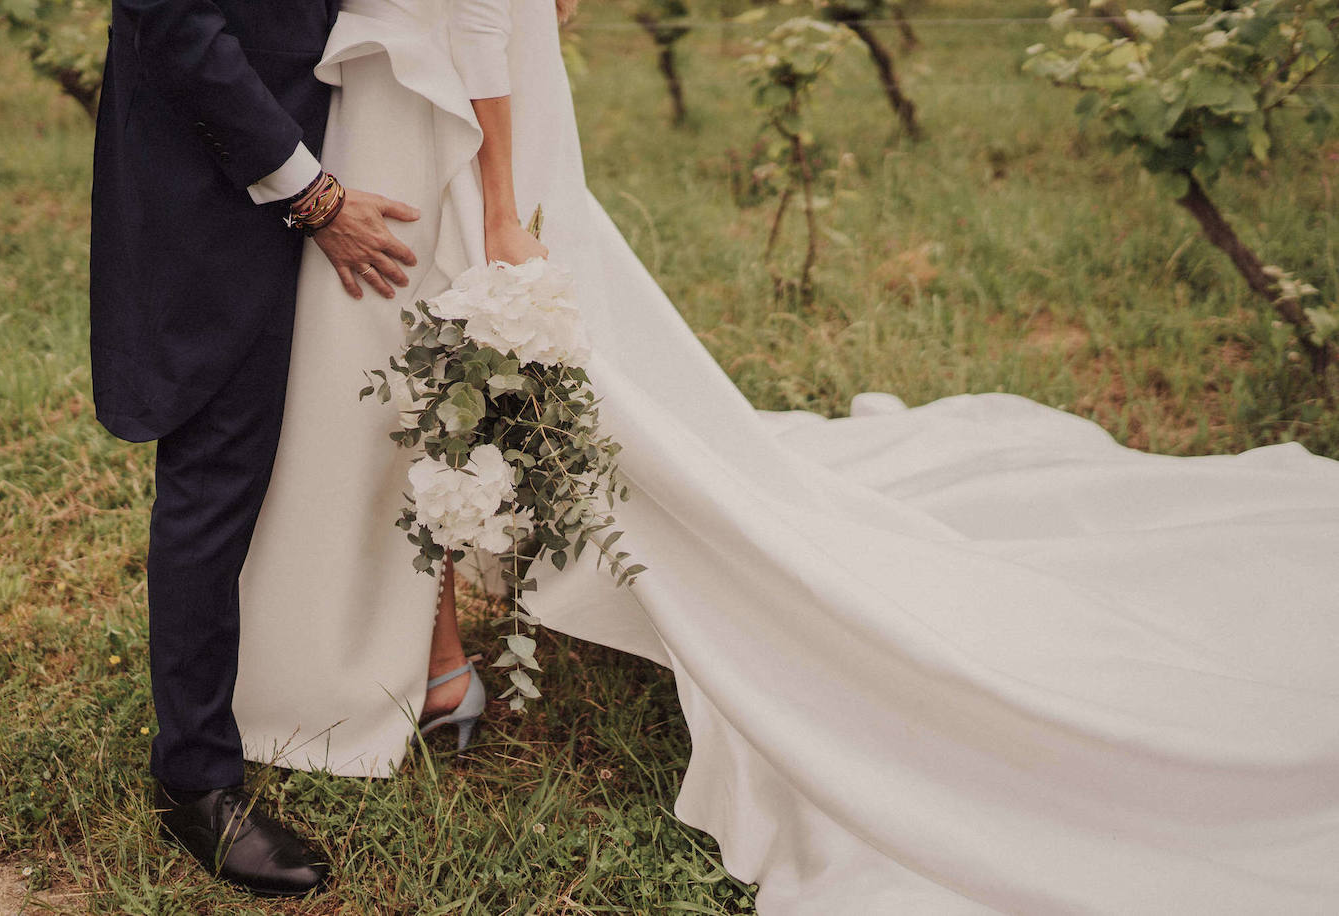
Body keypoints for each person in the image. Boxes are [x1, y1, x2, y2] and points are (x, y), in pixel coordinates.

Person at [235, 0, 1337, 911]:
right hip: (421, 88)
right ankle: (432, 658)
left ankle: (428, 660)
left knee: (434, 359)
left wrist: (498, 199)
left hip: (442, 114)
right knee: (417, 372)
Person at [88, 0, 429, 897]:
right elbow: (175, 22)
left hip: (358, 132)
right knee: (215, 468)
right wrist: (313, 195)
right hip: (223, 168)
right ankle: (194, 780)